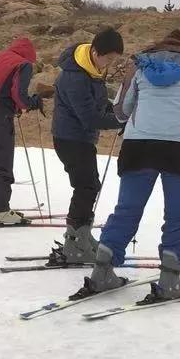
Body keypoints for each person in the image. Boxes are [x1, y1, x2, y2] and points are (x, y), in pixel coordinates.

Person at [83, 29, 180, 298]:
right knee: (177, 214)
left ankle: (103, 269)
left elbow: (121, 111)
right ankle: (171, 278)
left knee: (127, 209)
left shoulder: (140, 67)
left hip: (138, 146)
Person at [51, 28, 125, 263]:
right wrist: (121, 120)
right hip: (70, 138)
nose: (109, 64)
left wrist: (118, 110)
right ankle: (73, 243)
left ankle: (83, 234)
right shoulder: (76, 77)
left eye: (114, 59)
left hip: (80, 139)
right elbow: (90, 117)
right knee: (85, 187)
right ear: (95, 52)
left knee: (90, 185)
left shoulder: (90, 70)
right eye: (108, 58)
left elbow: (99, 104)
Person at [0, 37, 44, 224]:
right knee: (2, 164)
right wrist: (31, 103)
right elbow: (19, 95)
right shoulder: (23, 64)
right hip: (0, 117)